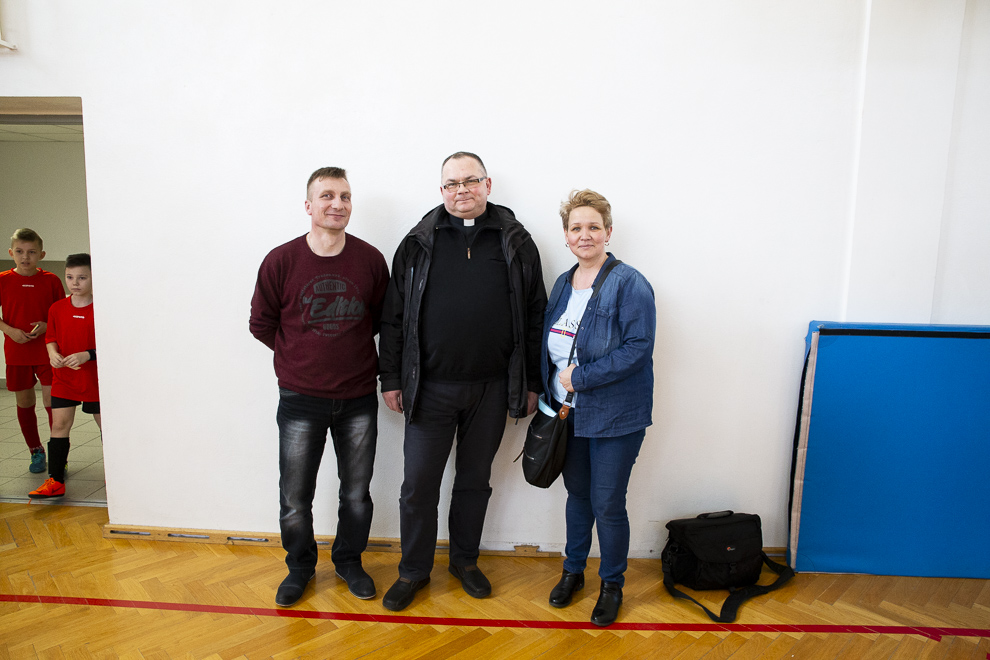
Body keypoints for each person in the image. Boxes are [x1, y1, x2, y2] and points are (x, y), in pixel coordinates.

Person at [378, 152, 547, 612]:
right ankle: (413, 571)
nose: (462, 190)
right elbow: (393, 317)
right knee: (418, 486)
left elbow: (536, 315)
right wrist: (391, 377)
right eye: (452, 183)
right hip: (428, 388)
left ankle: (464, 562)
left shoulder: (516, 241)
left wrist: (532, 382)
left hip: (492, 388)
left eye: (471, 181)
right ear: (441, 191)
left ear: (488, 185)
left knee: (475, 482)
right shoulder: (417, 243)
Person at [250, 167, 389, 608]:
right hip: (299, 399)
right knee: (295, 497)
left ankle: (349, 562)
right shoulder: (281, 260)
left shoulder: (370, 260)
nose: (337, 204)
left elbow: (383, 321)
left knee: (356, 494)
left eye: (345, 196)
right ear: (308, 205)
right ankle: (300, 568)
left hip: (358, 398)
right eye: (327, 195)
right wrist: (300, 355)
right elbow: (261, 323)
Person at [541, 189, 655, 627]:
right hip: (567, 413)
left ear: (608, 232)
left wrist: (582, 377)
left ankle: (612, 585)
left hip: (615, 416)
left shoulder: (630, 283)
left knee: (607, 504)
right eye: (576, 228)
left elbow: (638, 348)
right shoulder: (562, 283)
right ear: (566, 235)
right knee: (578, 498)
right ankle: (573, 572)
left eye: (593, 227)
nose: (584, 235)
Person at [29, 253, 98, 499]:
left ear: (94, 277)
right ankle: (56, 481)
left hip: (95, 380)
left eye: (82, 277)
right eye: (70, 277)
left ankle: (116, 478)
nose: (75, 283)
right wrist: (52, 353)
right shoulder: (57, 308)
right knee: (59, 425)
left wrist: (87, 355)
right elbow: (51, 338)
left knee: (107, 428)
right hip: (64, 378)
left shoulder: (103, 309)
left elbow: (115, 345)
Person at [0, 229, 66, 476]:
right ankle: (36, 451)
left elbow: (61, 315)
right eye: (19, 251)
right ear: (11, 253)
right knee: (25, 402)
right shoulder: (3, 279)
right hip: (17, 352)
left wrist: (48, 326)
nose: (25, 257)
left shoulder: (51, 280)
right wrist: (10, 330)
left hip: (48, 351)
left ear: (42, 254)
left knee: (52, 402)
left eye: (31, 252)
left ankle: (58, 454)